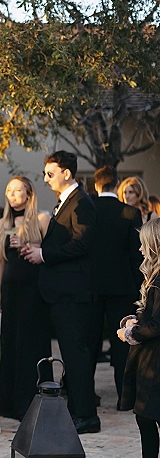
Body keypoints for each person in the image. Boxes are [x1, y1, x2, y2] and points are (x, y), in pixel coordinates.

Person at [22, 151, 99, 434]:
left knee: (76, 354)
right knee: (71, 352)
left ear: (67, 173)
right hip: (60, 292)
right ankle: (78, 411)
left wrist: (45, 255)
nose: (45, 179)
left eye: (50, 173)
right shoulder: (64, 203)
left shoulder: (82, 203)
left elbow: (82, 245)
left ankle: (87, 415)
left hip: (73, 293)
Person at [0, 177, 51, 420]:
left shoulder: (42, 219)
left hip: (34, 289)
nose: (13, 194)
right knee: (11, 342)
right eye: (9, 190)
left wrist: (31, 242)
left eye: (18, 190)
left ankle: (35, 399)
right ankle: (9, 402)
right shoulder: (0, 224)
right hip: (10, 289)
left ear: (29, 194)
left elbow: (51, 251)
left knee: (31, 343)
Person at [89, 166, 143, 406]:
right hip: (122, 287)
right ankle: (124, 396)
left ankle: (87, 396)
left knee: (89, 342)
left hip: (90, 287)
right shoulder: (131, 213)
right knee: (122, 341)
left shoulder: (88, 210)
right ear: (116, 183)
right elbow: (136, 255)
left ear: (96, 184)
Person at [116, 218, 160, 458]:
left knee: (147, 415)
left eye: (144, 243)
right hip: (151, 358)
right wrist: (134, 319)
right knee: (146, 417)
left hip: (155, 362)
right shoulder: (154, 277)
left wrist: (130, 331)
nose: (141, 249)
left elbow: (156, 326)